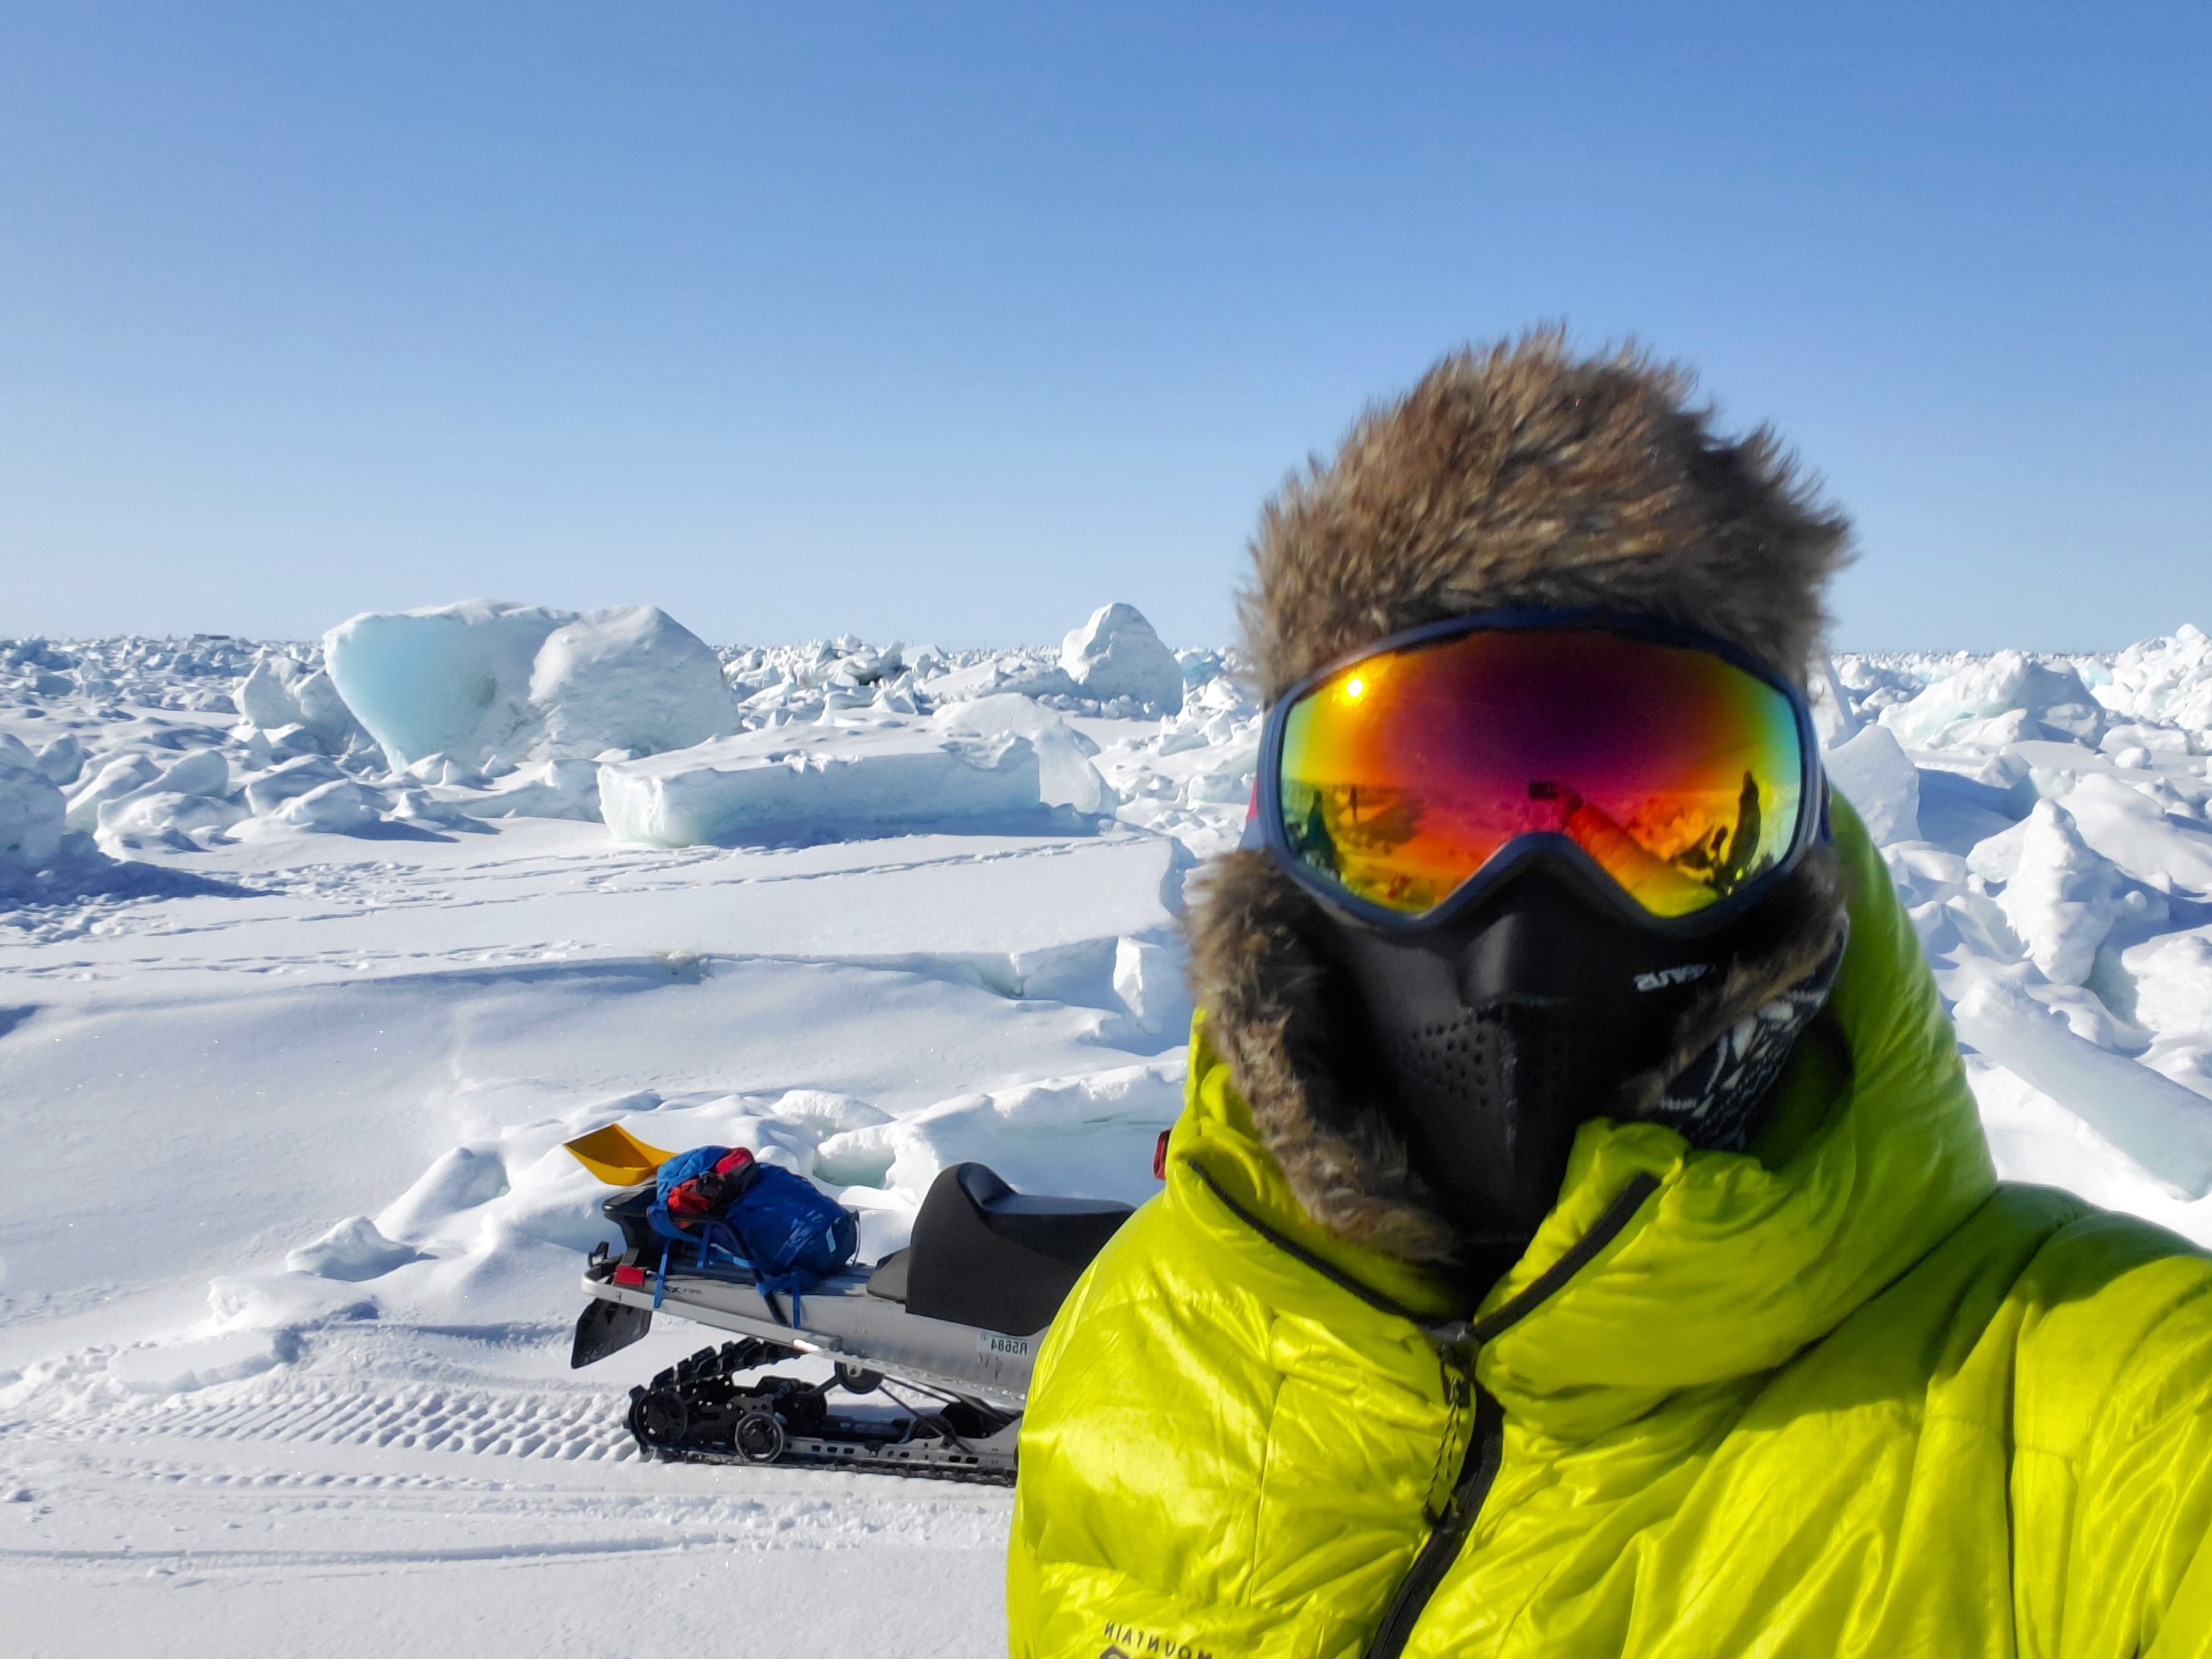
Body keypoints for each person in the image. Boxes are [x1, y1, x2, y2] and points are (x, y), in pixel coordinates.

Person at [1006, 333, 2212, 1657]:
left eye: (1656, 808)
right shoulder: (1135, 1330)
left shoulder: (2088, 1413)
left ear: (1791, 857)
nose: (1527, 919)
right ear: (1281, 865)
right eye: (1404, 816)